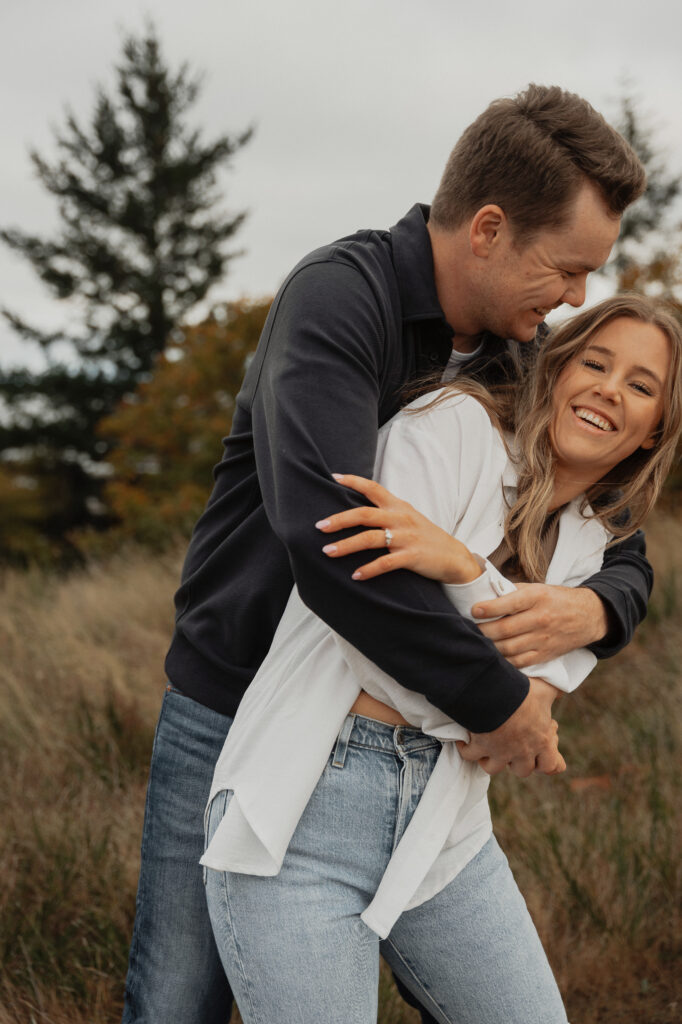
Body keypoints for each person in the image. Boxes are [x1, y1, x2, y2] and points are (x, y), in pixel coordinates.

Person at [121, 85, 649, 1024]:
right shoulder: (340, 298)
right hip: (235, 695)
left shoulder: (509, 352)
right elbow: (331, 547)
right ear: (489, 228)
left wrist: (605, 604)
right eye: (568, 269)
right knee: (177, 1002)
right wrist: (499, 705)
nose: (574, 299)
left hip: (404, 746)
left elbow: (605, 513)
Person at [201, 294, 682, 1024]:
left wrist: (459, 569)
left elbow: (532, 696)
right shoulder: (453, 427)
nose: (610, 389)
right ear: (557, 370)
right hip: (303, 813)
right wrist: (493, 707)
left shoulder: (596, 542)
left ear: (653, 432)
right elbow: (379, 636)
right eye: (596, 362)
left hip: (446, 826)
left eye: (642, 386)